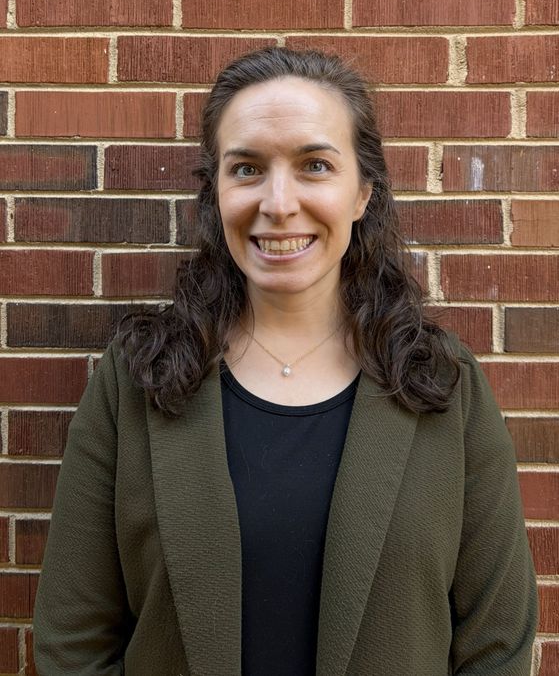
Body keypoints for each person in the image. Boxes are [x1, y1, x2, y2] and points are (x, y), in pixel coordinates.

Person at [33, 47, 537, 676]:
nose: (278, 202)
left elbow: (498, 643)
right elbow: (72, 641)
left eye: (314, 166)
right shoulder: (136, 379)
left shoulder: (441, 383)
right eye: (246, 169)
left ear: (362, 193)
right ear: (216, 193)